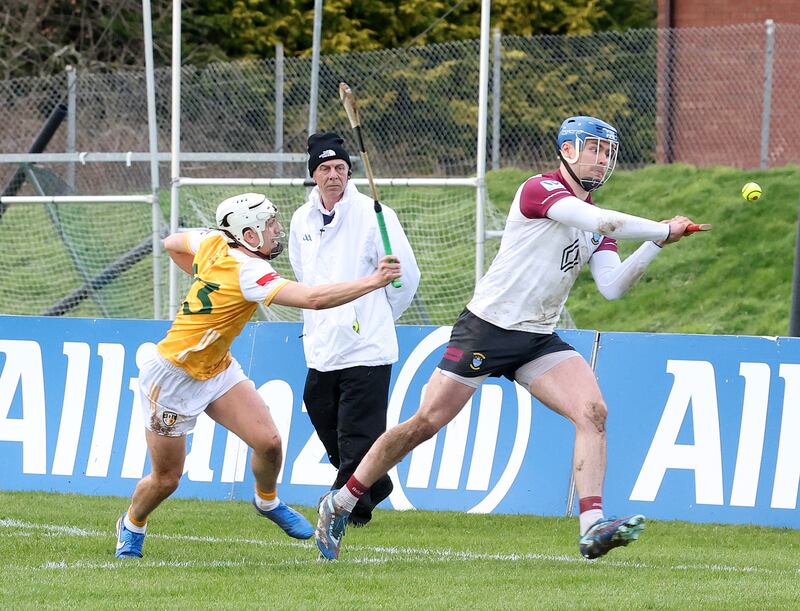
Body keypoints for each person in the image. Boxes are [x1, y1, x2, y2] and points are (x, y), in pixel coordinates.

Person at [314, 115, 697, 561]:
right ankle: (339, 502)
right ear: (568, 150)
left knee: (593, 412)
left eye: (608, 151)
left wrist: (655, 245)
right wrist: (661, 228)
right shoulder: (541, 190)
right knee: (424, 424)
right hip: (487, 329)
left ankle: (593, 526)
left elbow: (612, 286)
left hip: (537, 338)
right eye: (594, 148)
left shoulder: (594, 223)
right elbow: (606, 220)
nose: (603, 158)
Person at [114, 192, 402, 558]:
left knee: (268, 443)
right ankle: (132, 524)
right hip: (171, 378)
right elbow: (313, 299)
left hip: (217, 368)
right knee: (166, 479)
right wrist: (374, 280)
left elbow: (172, 243)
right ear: (248, 235)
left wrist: (206, 276)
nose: (277, 229)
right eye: (269, 225)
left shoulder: (213, 239)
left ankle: (267, 502)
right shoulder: (250, 271)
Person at [288, 132, 420, 528]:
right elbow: (302, 275)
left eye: (340, 168)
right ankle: (373, 482)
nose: (333, 175)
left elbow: (405, 277)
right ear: (314, 174)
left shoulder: (375, 214)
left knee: (358, 435)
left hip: (367, 348)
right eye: (325, 168)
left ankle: (348, 510)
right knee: (320, 410)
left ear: (349, 172)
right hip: (322, 345)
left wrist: (375, 318)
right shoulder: (301, 219)